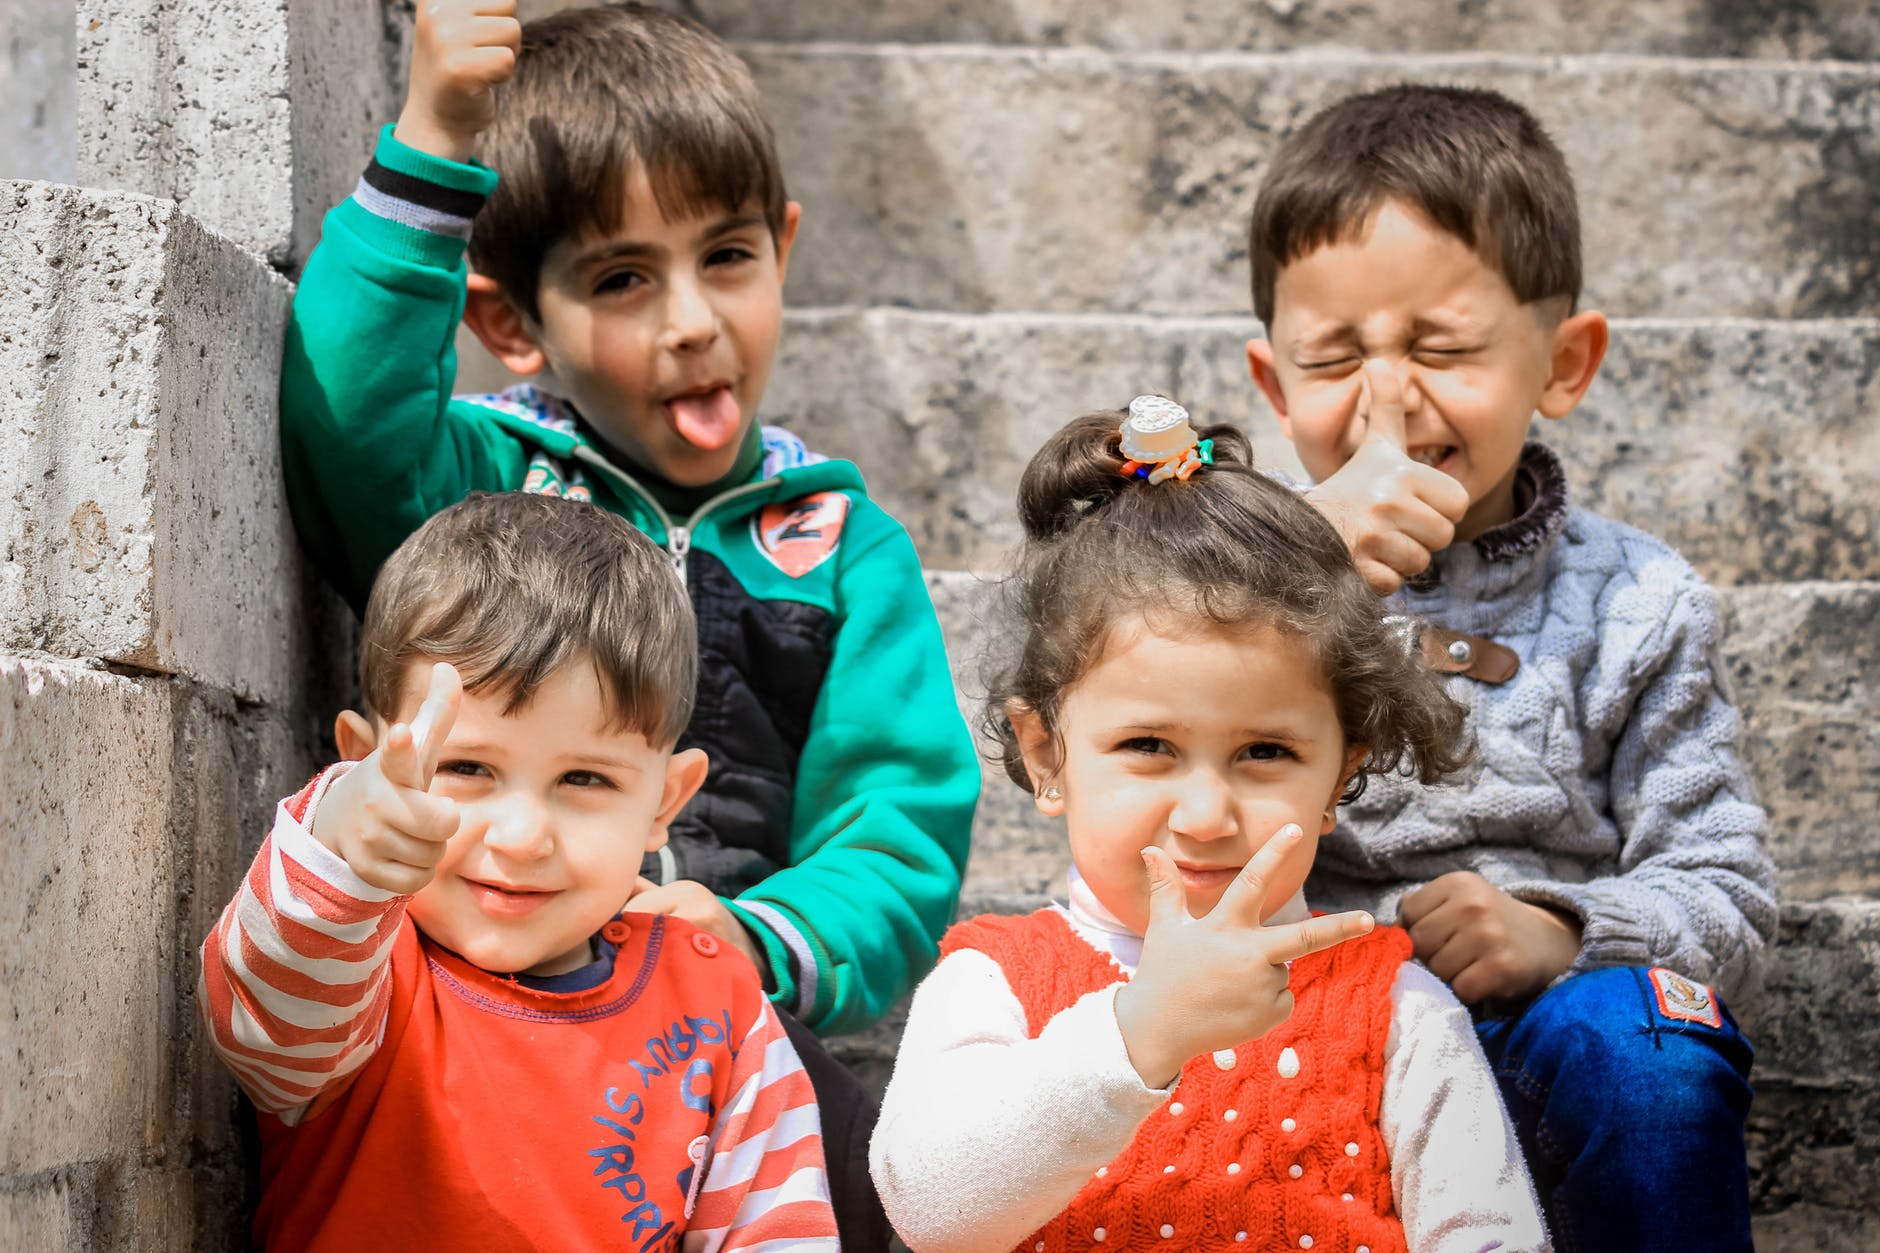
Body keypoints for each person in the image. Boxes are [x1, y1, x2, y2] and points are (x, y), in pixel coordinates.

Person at [280, 4, 978, 1238]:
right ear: (508, 325)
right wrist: (437, 132)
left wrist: (760, 936)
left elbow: (899, 825)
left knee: (867, 1167)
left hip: (719, 1015)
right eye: (619, 279)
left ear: (786, 245)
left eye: (726, 257)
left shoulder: (839, 548)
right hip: (479, 983)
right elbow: (349, 411)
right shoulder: (485, 482)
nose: (691, 320)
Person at [1245, 84, 1777, 1248]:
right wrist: (1291, 572)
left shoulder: (1637, 601)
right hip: (1323, 1027)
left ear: (1563, 362)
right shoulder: (1229, 577)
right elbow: (1143, 792)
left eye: (1442, 347)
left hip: (1550, 1029)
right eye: (1332, 358)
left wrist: (1561, 927)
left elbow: (1727, 891)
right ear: (1271, 387)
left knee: (1644, 1045)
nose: (1388, 397)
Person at [871, 400, 1549, 1253]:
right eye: (1147, 745)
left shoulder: (1395, 1007)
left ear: (1341, 772)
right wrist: (1143, 1030)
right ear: (1046, 755)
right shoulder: (993, 984)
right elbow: (929, 1209)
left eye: (1264, 751)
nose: (1205, 815)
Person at [198, 492, 839, 1251]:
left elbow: (777, 1231)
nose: (525, 835)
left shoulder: (720, 1007)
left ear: (665, 801)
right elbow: (265, 1015)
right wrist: (344, 832)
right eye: (467, 766)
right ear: (360, 759)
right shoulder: (362, 980)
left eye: (585, 780)